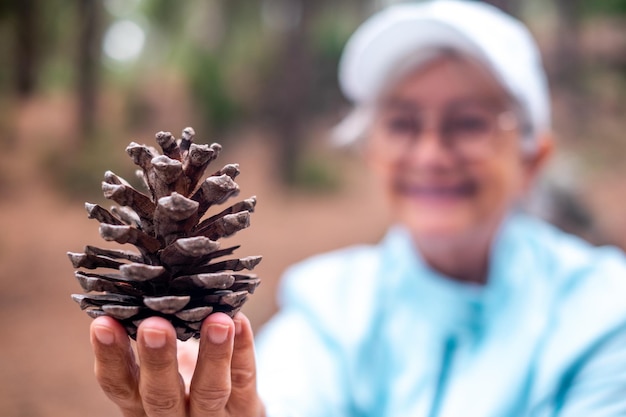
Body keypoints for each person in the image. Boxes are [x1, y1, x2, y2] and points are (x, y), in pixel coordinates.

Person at [88, 1, 626, 416]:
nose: (431, 155)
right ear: (371, 151)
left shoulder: (605, 314)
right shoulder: (328, 306)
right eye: (401, 123)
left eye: (469, 122)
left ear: (534, 157)